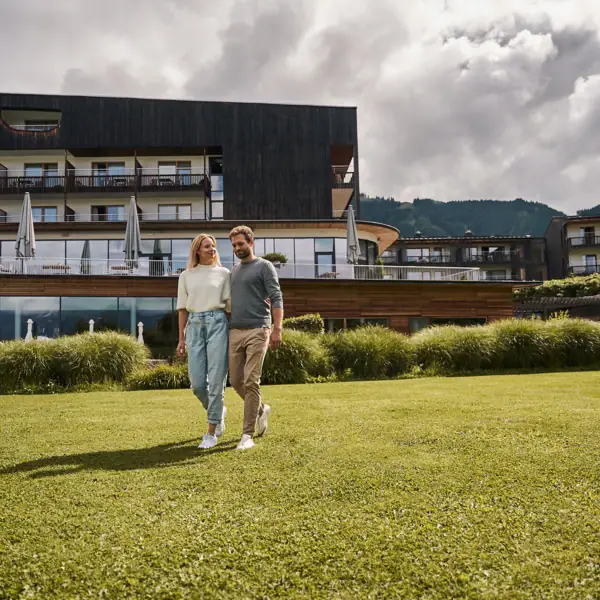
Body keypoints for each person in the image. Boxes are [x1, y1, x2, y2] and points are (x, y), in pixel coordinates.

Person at [228, 225, 283, 450]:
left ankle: (247, 435)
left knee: (251, 380)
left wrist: (277, 329)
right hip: (235, 331)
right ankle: (261, 409)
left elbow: (276, 296)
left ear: (251, 242)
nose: (237, 248)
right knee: (235, 381)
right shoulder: (232, 271)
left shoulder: (264, 266)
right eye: (234, 245)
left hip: (259, 329)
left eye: (241, 244)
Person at [176, 234, 231, 450]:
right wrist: (181, 337)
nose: (212, 249)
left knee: (217, 379)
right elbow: (182, 308)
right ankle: (218, 411)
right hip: (195, 325)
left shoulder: (224, 274)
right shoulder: (186, 275)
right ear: (197, 250)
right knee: (198, 384)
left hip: (218, 322)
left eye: (214, 246)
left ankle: (211, 433)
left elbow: (230, 307)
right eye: (207, 246)